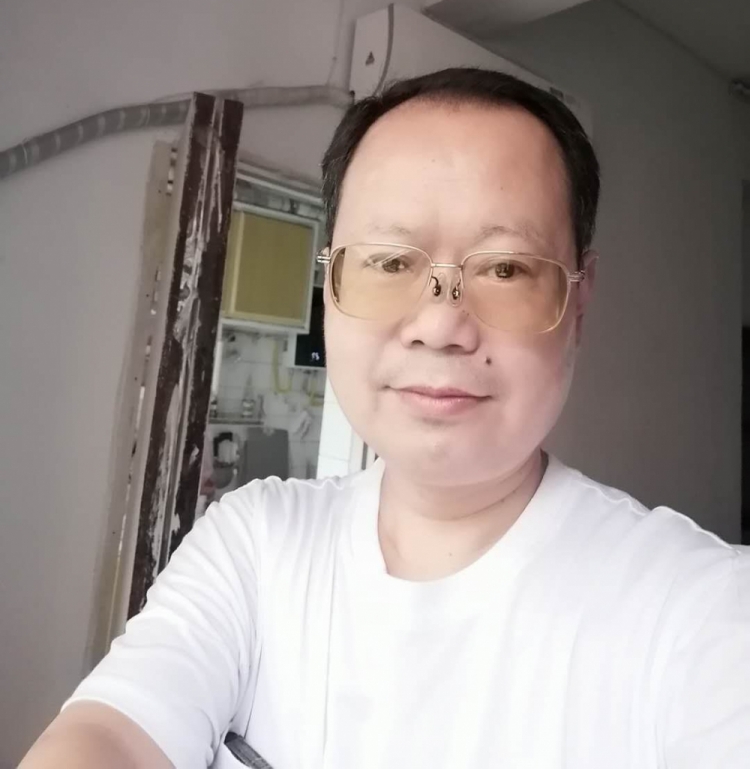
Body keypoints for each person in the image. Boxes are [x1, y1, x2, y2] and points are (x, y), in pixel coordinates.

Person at [21, 67, 750, 768]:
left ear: (578, 305)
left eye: (505, 269)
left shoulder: (704, 613)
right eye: (391, 262)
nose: (440, 325)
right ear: (332, 283)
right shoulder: (254, 545)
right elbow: (111, 735)